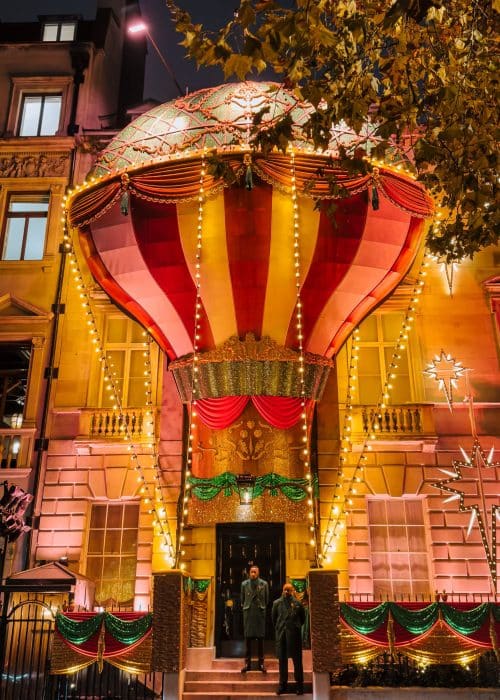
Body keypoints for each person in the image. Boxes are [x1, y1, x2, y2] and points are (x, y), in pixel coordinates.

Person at [271, 582, 306, 695]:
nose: (287, 592)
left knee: (297, 661)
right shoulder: (277, 603)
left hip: (294, 636)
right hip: (281, 635)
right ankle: (283, 685)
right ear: (282, 590)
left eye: (289, 590)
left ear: (292, 591)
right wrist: (280, 627)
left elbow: (302, 619)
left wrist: (294, 626)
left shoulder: (297, 604)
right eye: (285, 589)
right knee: (282, 661)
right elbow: (273, 619)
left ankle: (299, 686)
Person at [240, 565, 269, 672]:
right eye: (251, 572)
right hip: (248, 613)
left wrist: (262, 607)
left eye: (255, 572)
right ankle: (247, 664)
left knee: (261, 639)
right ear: (249, 573)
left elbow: (266, 599)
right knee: (247, 639)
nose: (253, 574)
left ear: (258, 573)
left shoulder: (264, 584)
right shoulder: (244, 584)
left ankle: (261, 663)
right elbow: (242, 599)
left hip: (259, 613)